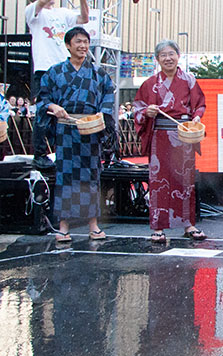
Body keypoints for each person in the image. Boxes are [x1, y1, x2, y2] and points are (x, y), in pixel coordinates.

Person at [36, 26, 115, 242]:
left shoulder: (98, 74)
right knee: (65, 177)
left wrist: (102, 115)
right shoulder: (54, 72)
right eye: (78, 42)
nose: (82, 46)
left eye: (86, 42)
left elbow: (109, 96)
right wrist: (53, 106)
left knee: (91, 177)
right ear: (68, 45)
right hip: (66, 131)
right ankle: (63, 227)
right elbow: (42, 100)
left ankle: (93, 225)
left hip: (90, 131)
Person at [133, 40, 207, 243]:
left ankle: (188, 224)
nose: (168, 58)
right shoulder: (150, 84)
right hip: (160, 136)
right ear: (157, 59)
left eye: (171, 54)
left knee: (185, 179)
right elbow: (137, 108)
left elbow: (200, 104)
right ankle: (158, 226)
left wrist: (197, 117)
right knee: (159, 181)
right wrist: (146, 112)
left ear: (178, 56)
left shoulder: (189, 80)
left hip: (183, 134)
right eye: (163, 55)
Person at [24, 0, 88, 168]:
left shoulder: (62, 12)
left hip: (65, 69)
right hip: (45, 68)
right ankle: (40, 154)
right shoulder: (33, 11)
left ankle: (64, 152)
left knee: (66, 111)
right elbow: (42, 1)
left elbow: (83, 18)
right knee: (44, 111)